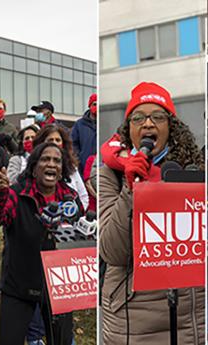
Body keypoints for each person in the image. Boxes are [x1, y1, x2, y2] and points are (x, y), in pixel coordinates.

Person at [100, 82, 204, 344]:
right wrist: (131, 188)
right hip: (134, 324)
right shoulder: (108, 175)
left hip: (192, 320)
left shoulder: (193, 171)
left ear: (171, 127)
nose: (148, 124)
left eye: (158, 117)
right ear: (128, 130)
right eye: (138, 117)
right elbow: (113, 251)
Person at [0, 142, 84, 345]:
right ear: (33, 168)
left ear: (62, 170)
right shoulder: (16, 194)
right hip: (19, 285)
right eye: (45, 159)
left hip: (59, 287)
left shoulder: (71, 198)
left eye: (57, 161)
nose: (51, 164)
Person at [33, 124, 89, 210]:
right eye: (50, 140)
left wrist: (74, 213)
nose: (54, 143)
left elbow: (83, 196)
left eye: (58, 140)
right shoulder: (34, 167)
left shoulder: (72, 168)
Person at [71, 93, 97, 176]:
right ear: (89, 106)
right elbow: (73, 144)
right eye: (94, 104)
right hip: (83, 167)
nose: (96, 107)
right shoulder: (79, 124)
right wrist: (79, 159)